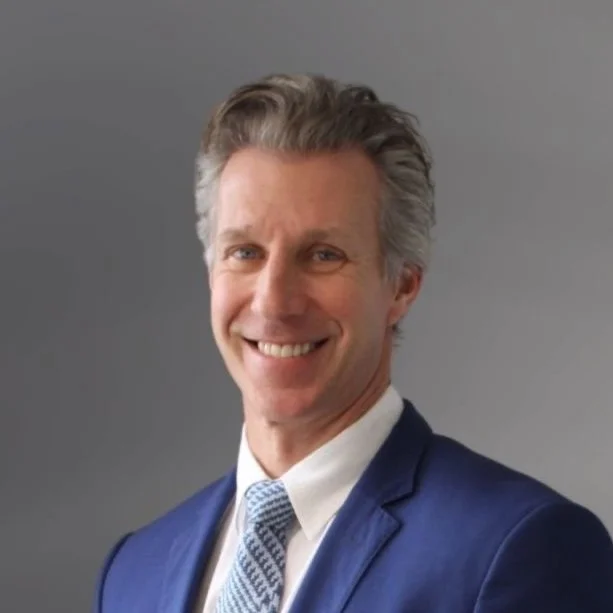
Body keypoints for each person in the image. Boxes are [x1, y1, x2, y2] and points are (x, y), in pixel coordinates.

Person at [93, 73, 613, 613]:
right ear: (211, 272)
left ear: (402, 285)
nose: (274, 303)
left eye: (323, 255)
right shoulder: (133, 573)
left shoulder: (519, 548)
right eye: (245, 253)